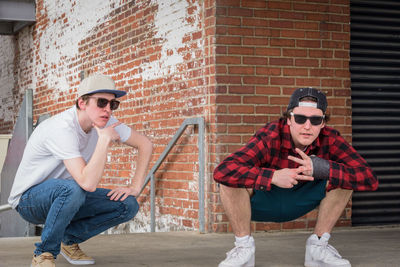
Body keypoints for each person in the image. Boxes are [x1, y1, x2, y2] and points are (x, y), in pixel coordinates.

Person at [214, 87, 378, 267]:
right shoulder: (271, 136)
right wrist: (272, 176)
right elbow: (222, 170)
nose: (307, 126)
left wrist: (323, 168)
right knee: (229, 180)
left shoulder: (330, 139)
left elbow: (369, 178)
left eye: (315, 120)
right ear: (289, 119)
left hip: (302, 200)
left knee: (344, 177)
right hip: (264, 200)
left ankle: (318, 247)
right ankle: (244, 250)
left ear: (323, 123)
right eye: (300, 119)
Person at [8, 74, 153, 267]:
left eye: (113, 104)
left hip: (69, 196)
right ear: (82, 103)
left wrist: (135, 187)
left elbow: (145, 144)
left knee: (128, 204)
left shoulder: (106, 121)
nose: (108, 109)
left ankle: (69, 239)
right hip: (29, 200)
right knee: (74, 188)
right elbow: (88, 183)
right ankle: (44, 254)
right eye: (101, 102)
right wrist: (103, 140)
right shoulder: (62, 128)